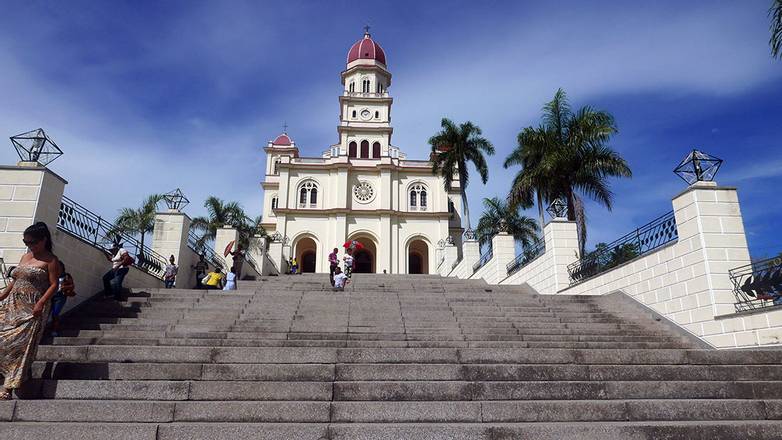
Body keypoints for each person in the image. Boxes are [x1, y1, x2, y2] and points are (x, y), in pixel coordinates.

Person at [0, 222, 60, 400]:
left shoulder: (51, 261)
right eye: (26, 242)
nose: (29, 245)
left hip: (32, 309)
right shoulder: (25, 257)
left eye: (33, 242)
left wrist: (41, 303)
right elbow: (16, 280)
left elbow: (54, 285)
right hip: (12, 305)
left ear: (43, 240)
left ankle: (7, 388)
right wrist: (2, 295)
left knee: (20, 346)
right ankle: (20, 375)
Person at [50, 261, 75, 337]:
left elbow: (72, 286)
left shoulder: (66, 276)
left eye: (59, 267)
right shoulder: (52, 275)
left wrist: (64, 287)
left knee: (55, 313)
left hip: (60, 297)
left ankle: (55, 330)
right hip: (51, 296)